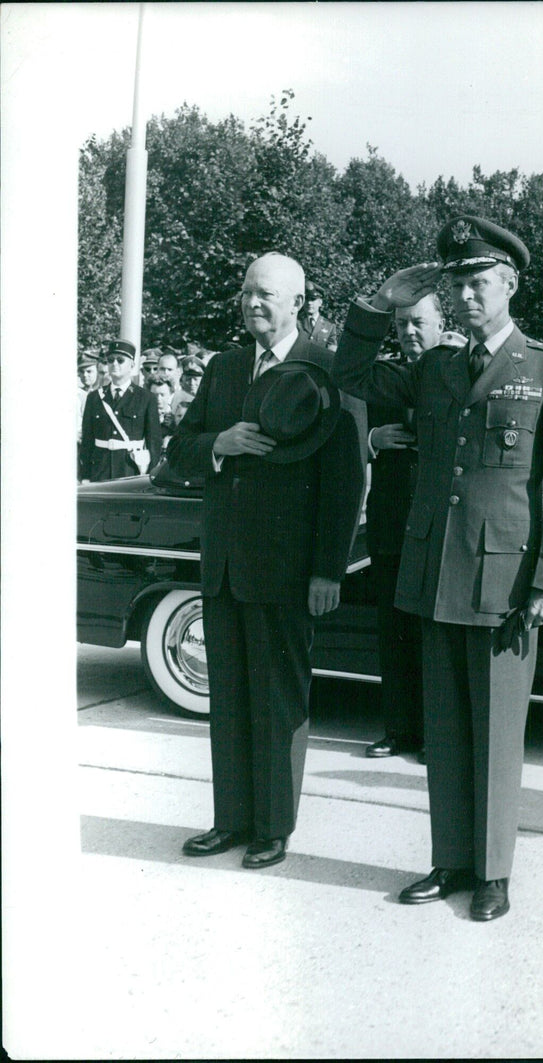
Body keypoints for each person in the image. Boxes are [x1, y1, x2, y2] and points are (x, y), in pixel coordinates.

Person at [333, 216, 543, 921]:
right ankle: (450, 860)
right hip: (438, 574)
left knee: (497, 732)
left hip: (505, 585)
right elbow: (347, 373)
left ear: (509, 283)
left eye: (480, 283)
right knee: (443, 728)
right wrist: (380, 303)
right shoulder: (436, 366)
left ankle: (494, 873)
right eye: (460, 285)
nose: (469, 297)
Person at [168, 252, 365, 870]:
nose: (254, 303)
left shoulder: (326, 372)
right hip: (225, 567)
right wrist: (216, 445)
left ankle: (273, 828)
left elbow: (344, 483)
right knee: (227, 699)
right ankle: (230, 821)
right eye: (248, 292)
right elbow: (177, 452)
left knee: (279, 701)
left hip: (287, 571)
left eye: (268, 295)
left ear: (298, 303)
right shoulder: (224, 369)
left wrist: (327, 571)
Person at [364, 294, 448, 762]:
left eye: (418, 323)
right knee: (394, 632)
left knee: (434, 637)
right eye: (401, 326)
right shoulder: (384, 376)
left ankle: (437, 734)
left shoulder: (460, 371)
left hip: (439, 528)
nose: (410, 333)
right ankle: (398, 729)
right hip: (393, 522)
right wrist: (374, 439)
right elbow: (345, 426)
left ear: (440, 324)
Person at [79, 340, 162, 482]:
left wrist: (151, 476)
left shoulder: (146, 398)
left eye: (120, 360)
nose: (114, 364)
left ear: (132, 365)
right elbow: (87, 440)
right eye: (110, 360)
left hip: (130, 470)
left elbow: (153, 442)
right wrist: (85, 475)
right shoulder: (94, 397)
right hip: (99, 470)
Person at [298, 281, 338, 350]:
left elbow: (331, 352)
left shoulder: (330, 326)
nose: (309, 303)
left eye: (313, 299)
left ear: (320, 302)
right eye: (307, 299)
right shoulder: (295, 321)